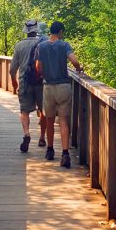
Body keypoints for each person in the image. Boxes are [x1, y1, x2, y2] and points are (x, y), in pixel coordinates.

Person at [36, 20, 82, 168]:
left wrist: (45, 74)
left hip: (48, 86)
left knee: (49, 119)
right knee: (63, 120)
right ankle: (65, 154)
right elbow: (74, 61)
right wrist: (79, 68)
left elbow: (38, 68)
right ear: (60, 31)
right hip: (64, 86)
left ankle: (50, 151)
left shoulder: (41, 46)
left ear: (50, 31)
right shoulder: (64, 45)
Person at [9, 19, 48, 153]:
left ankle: (26, 134)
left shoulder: (19, 46)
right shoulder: (43, 43)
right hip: (41, 83)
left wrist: (14, 82)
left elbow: (12, 68)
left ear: (25, 31)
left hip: (25, 83)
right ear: (36, 30)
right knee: (44, 111)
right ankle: (42, 137)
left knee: (24, 111)